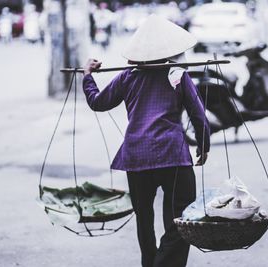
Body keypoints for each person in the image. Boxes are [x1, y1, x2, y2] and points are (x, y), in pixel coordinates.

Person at [82, 15, 210, 267]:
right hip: (172, 155)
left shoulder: (128, 76)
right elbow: (198, 115)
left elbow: (98, 102)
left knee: (144, 219)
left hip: (137, 157)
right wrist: (204, 146)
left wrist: (88, 76)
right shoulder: (177, 75)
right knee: (181, 219)